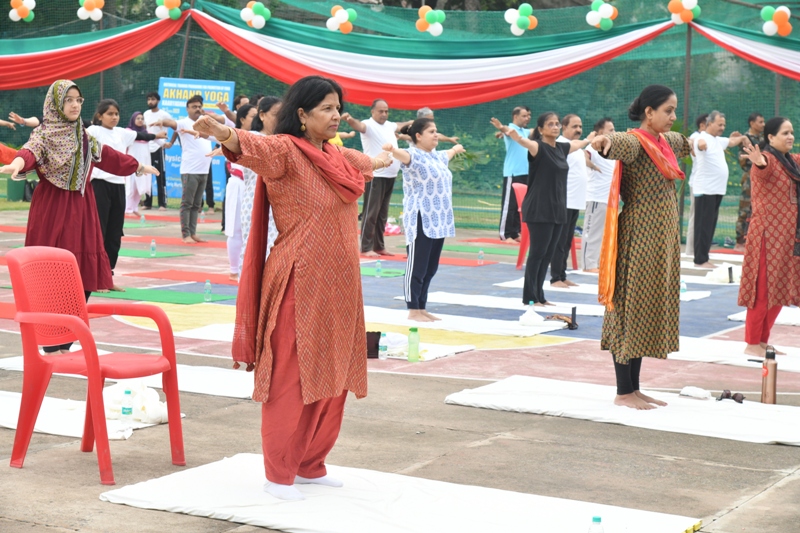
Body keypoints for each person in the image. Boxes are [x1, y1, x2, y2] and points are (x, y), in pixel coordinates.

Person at [192, 75, 392, 502]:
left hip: (340, 284)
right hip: (300, 279)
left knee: (334, 370)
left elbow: (367, 163)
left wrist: (395, 156)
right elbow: (251, 144)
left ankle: (310, 463)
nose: (336, 115)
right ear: (301, 115)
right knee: (292, 377)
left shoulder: (336, 157)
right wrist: (225, 132)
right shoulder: (285, 151)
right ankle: (278, 472)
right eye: (326, 108)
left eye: (338, 107)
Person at [0, 79, 157, 352]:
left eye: (78, 100)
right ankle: (51, 340)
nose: (74, 105)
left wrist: (139, 166)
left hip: (82, 210)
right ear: (56, 104)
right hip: (51, 209)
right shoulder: (44, 133)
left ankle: (67, 337)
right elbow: (29, 152)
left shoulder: (82, 135)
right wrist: (15, 163)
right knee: (51, 274)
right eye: (68, 100)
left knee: (81, 273)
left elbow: (107, 156)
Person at [590, 84, 691, 410]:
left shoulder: (669, 141)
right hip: (638, 239)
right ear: (649, 112)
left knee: (646, 309)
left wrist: (703, 141)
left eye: (675, 110)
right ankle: (623, 392)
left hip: (662, 241)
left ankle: (634, 388)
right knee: (630, 309)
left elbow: (689, 143)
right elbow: (616, 143)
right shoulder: (635, 142)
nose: (673, 117)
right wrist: (605, 141)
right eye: (668, 110)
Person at [491, 113, 594, 306]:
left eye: (557, 124)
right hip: (539, 209)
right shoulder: (538, 146)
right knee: (538, 254)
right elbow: (524, 142)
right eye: (550, 124)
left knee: (547, 254)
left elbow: (578, 145)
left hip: (557, 209)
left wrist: (591, 138)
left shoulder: (562, 148)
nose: (555, 127)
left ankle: (540, 297)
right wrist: (514, 135)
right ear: (541, 129)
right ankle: (530, 297)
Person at [381, 118, 464, 322]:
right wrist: (391, 148)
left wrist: (458, 148)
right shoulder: (413, 155)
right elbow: (400, 154)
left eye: (436, 131)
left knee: (430, 267)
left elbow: (450, 153)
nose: (436, 135)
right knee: (417, 266)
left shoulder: (438, 157)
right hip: (420, 217)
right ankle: (413, 309)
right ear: (418, 136)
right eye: (431, 132)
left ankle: (422, 307)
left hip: (439, 219)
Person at [87, 99, 165, 291]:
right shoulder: (93, 132)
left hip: (118, 186)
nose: (114, 117)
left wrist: (158, 135)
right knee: (99, 232)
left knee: (114, 234)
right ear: (100, 116)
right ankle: (95, 278)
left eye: (116, 114)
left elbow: (143, 135)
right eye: (109, 114)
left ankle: (108, 277)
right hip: (98, 186)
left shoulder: (123, 133)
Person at [738, 117, 800, 357]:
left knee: (780, 290)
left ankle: (763, 341)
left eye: (792, 132)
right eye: (785, 133)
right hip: (766, 236)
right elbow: (763, 167)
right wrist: (759, 160)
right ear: (771, 138)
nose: (790, 136)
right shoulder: (770, 160)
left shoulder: (792, 162)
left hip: (787, 238)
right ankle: (751, 343)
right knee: (762, 291)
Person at [342, 99, 412, 257]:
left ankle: (379, 246)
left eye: (386, 111)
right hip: (376, 175)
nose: (384, 114)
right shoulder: (368, 125)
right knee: (371, 212)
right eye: (381, 111)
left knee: (382, 213)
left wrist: (413, 121)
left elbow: (400, 125)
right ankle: (366, 248)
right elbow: (358, 125)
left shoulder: (390, 125)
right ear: (372, 111)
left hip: (391, 174)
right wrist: (350, 119)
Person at [692, 111, 750, 268]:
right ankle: (700, 259)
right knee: (703, 226)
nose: (722, 127)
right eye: (720, 124)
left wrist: (743, 138)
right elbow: (698, 143)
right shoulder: (701, 137)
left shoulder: (717, 140)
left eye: (724, 124)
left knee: (710, 225)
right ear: (709, 123)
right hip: (705, 190)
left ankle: (704, 257)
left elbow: (731, 141)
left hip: (717, 190)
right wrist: (700, 145)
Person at [239, 96, 282, 271]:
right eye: (276, 114)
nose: (280, 119)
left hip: (280, 202)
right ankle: (248, 295)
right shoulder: (252, 137)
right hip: (255, 201)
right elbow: (230, 140)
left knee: (276, 251)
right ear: (262, 115)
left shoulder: (284, 139)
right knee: (254, 249)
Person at [550, 114, 588, 287]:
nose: (578, 130)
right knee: (559, 241)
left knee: (566, 241)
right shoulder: (561, 146)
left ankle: (562, 275)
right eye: (574, 126)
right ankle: (555, 277)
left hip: (575, 201)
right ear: (564, 127)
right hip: (563, 201)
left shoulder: (576, 148)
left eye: (580, 126)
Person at [173, 95, 216, 244]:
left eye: (199, 106)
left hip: (204, 169)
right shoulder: (183, 122)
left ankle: (193, 233)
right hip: (190, 170)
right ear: (187, 109)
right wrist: (161, 121)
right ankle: (186, 234)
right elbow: (172, 125)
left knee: (197, 205)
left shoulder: (204, 123)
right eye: (194, 107)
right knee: (187, 203)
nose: (197, 109)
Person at [224, 103, 257, 281]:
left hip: (256, 186)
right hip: (238, 184)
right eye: (253, 115)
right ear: (242, 119)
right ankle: (234, 270)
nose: (257, 118)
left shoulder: (263, 136)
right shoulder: (236, 136)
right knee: (236, 227)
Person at [583, 118, 617, 273]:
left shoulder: (612, 150)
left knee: (604, 234)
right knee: (593, 233)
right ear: (600, 132)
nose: (614, 132)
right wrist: (591, 165)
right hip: (596, 198)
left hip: (610, 199)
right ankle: (588, 264)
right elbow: (583, 155)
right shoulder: (592, 146)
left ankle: (596, 263)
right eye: (610, 130)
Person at [498, 106, 532, 242]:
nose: (527, 118)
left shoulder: (524, 132)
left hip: (525, 172)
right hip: (513, 173)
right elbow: (507, 130)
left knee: (521, 205)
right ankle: (504, 234)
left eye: (529, 115)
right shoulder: (511, 129)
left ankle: (515, 232)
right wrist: (501, 128)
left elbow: (537, 130)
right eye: (524, 116)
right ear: (515, 117)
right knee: (509, 204)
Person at [735, 113, 765, 252]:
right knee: (745, 209)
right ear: (752, 123)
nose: (763, 124)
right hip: (749, 178)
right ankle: (739, 240)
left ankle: (755, 241)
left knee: (758, 210)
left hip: (762, 178)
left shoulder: (764, 139)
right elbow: (744, 160)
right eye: (760, 122)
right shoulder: (745, 139)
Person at [143, 91, 173, 211]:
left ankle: (162, 203)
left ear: (158, 101)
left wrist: (170, 142)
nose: (151, 101)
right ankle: (147, 203)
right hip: (146, 147)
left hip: (158, 147)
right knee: (146, 175)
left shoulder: (164, 114)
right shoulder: (145, 114)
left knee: (160, 175)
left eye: (153, 99)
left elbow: (174, 126)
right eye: (149, 99)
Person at [685, 113, 708, 254]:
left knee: (704, 218)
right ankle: (690, 250)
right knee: (696, 217)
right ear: (702, 125)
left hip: (708, 185)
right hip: (698, 183)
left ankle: (700, 250)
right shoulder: (695, 137)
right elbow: (694, 145)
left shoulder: (709, 138)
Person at [125, 112, 153, 217]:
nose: (140, 120)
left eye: (142, 118)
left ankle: (134, 208)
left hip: (144, 164)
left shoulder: (146, 132)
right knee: (131, 187)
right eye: (138, 118)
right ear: (133, 119)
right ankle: (127, 210)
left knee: (141, 187)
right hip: (132, 163)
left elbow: (157, 139)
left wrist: (166, 144)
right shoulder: (128, 132)